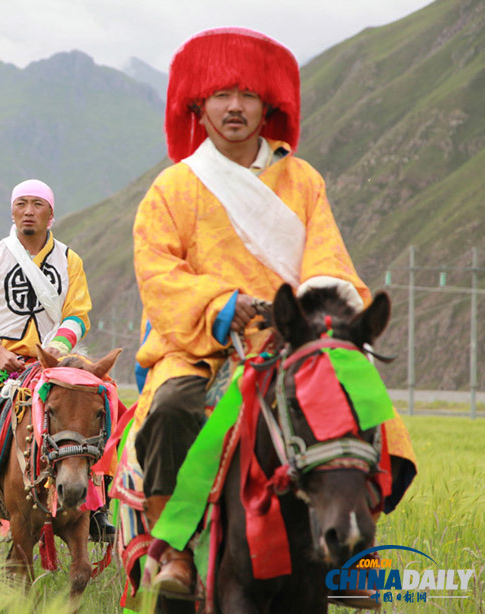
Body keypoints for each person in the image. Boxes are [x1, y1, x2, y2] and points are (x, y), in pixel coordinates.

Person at [125, 27, 415, 603]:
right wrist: (223, 306)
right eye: (221, 94)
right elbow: (158, 274)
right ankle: (176, 551)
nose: (234, 107)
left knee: (375, 414)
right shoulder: (172, 189)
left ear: (267, 106)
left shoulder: (303, 180)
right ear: (198, 106)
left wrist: (320, 315)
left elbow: (327, 258)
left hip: (296, 337)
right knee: (172, 408)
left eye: (248, 95)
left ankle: (354, 548)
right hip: (203, 345)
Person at [0, 179, 93, 529]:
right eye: (21, 204)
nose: (29, 211)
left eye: (37, 204)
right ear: (12, 211)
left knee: (99, 404)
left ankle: (96, 507)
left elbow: (78, 314)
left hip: (54, 360)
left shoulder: (70, 260)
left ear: (51, 214)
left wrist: (56, 349)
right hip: (1, 359)